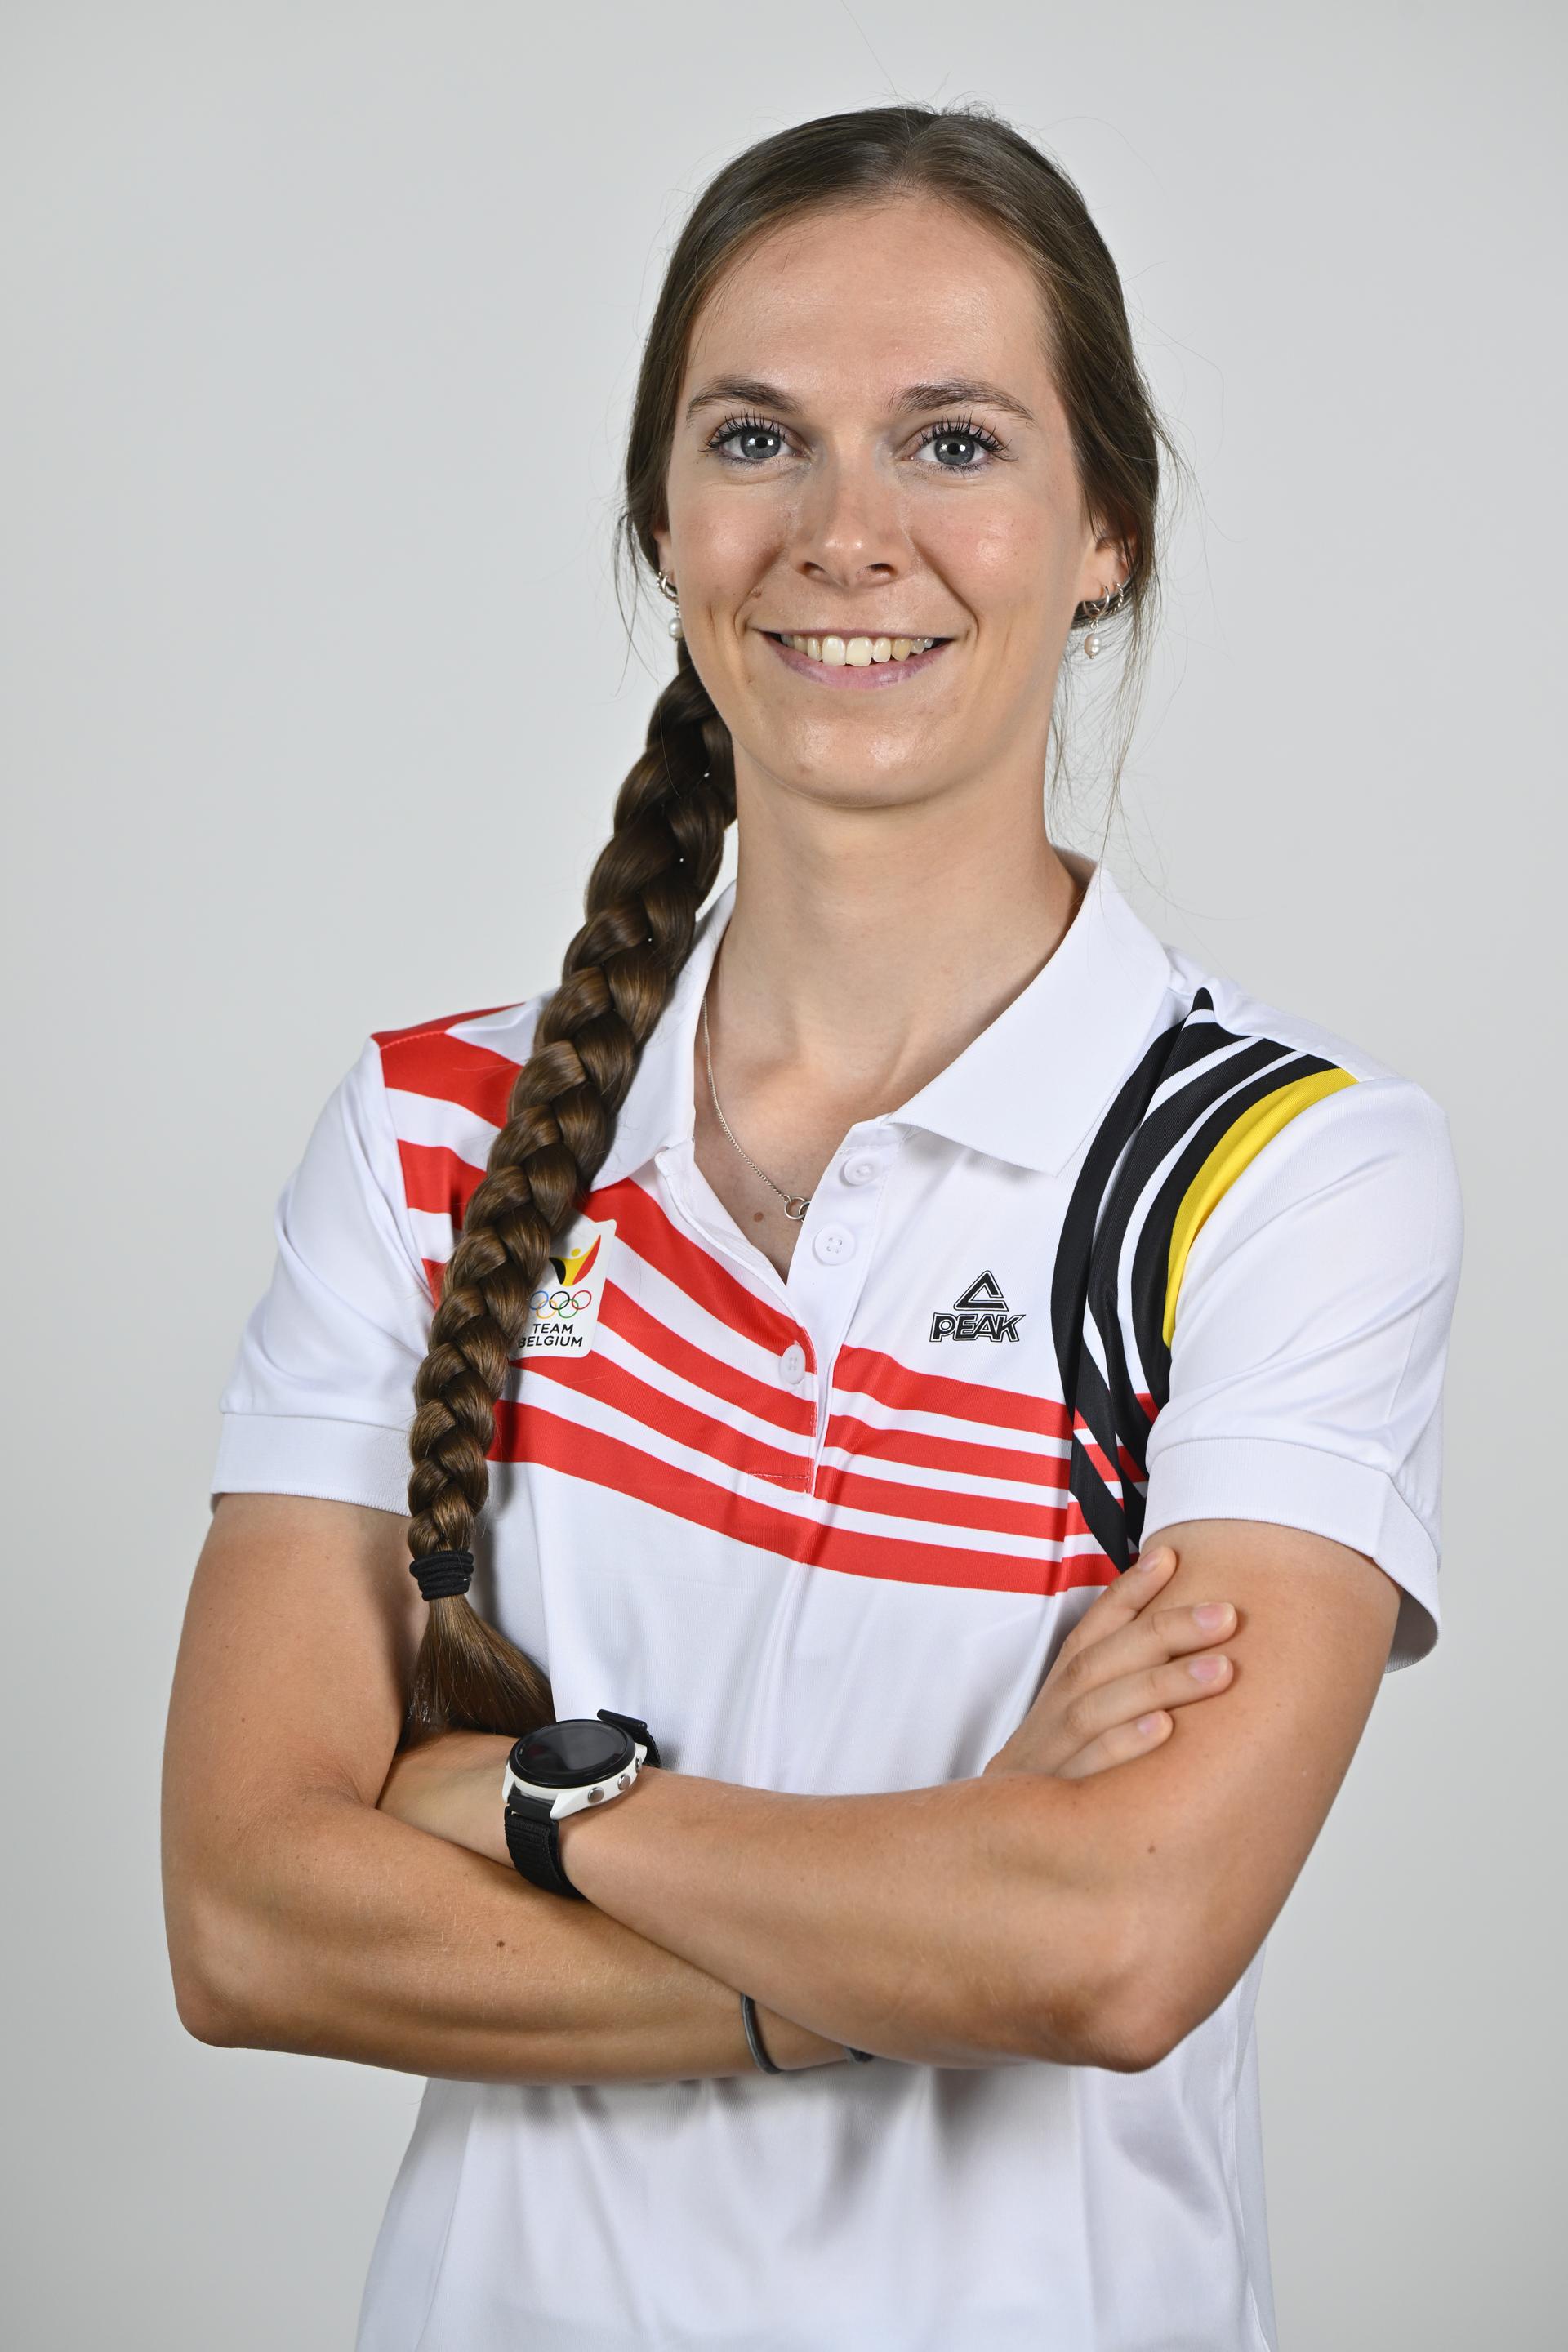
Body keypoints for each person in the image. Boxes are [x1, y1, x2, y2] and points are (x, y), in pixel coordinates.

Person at [161, 102, 1464, 2352]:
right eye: (758, 435)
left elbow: (1114, 1949)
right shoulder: (432, 1133)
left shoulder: (1289, 1175)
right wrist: (885, 1955)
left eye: (954, 442)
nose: (847, 533)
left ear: (1105, 532)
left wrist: (538, 1797)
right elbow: (249, 1918)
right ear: (663, 523)